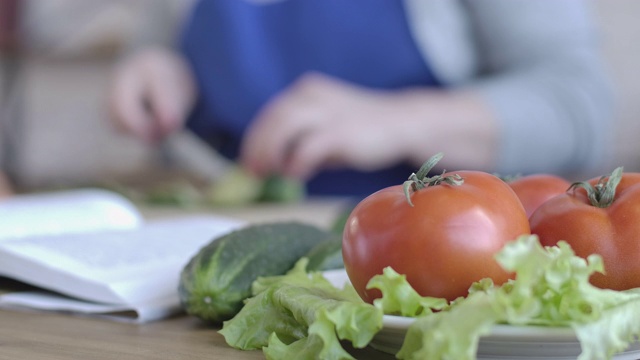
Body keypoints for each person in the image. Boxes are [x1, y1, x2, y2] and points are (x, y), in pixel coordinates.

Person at [109, 0, 613, 198]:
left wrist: (401, 121)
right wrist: (160, 65)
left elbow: (581, 102)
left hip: (432, 264)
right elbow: (158, 37)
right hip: (228, 246)